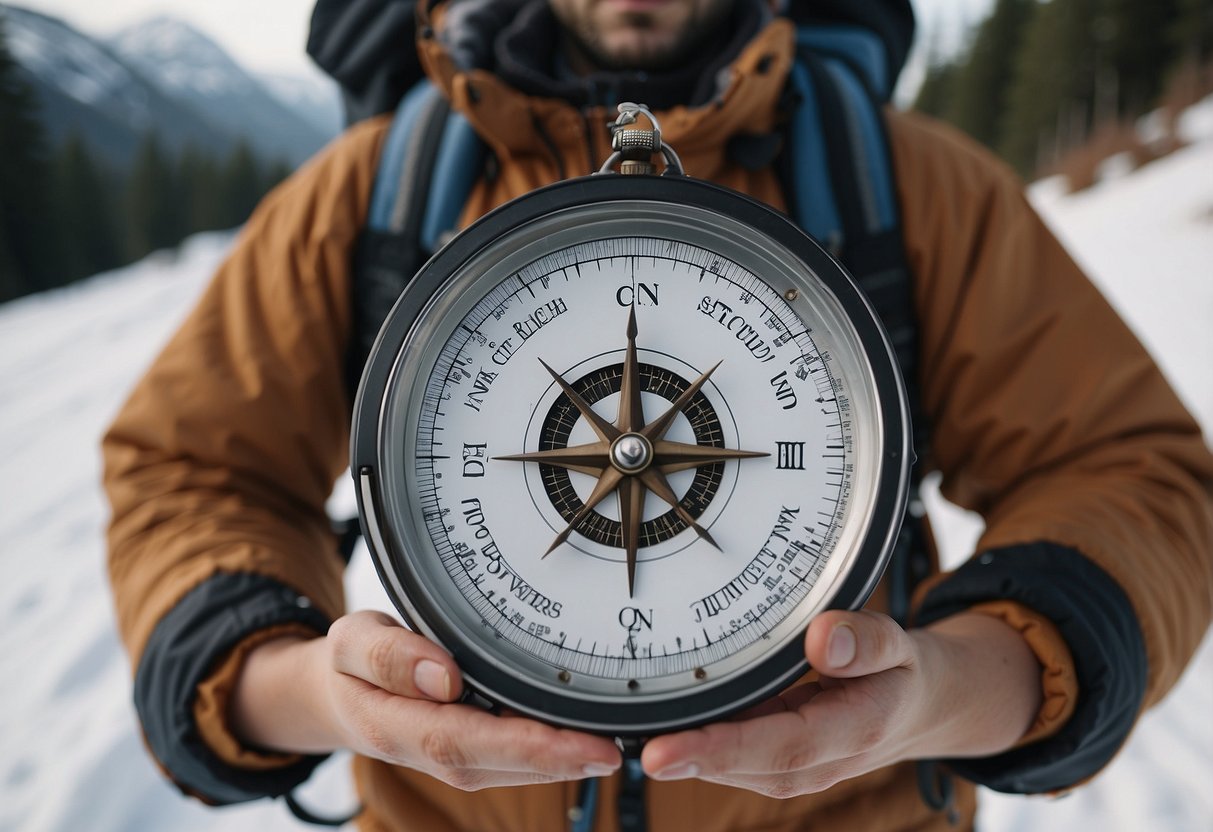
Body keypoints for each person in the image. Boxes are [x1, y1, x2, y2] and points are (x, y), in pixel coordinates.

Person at [103, 1, 1213, 830]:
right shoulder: (370, 198)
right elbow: (188, 469)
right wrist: (298, 693)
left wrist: (963, 687)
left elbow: (1132, 473)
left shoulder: (910, 189)